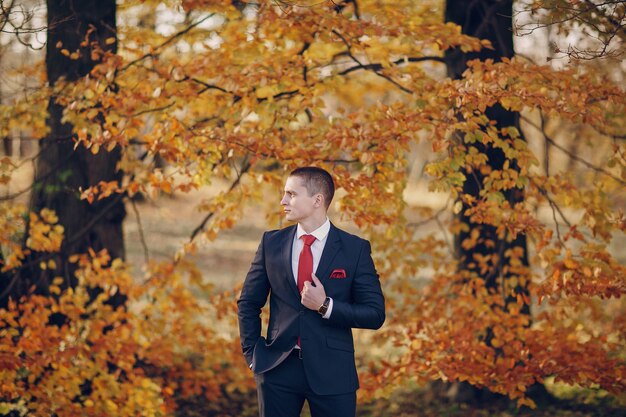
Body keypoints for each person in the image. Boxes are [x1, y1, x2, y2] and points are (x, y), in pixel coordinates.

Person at [237, 166, 385, 417]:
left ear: (317, 200)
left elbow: (374, 314)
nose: (283, 200)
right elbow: (248, 303)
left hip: (334, 372)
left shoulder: (354, 249)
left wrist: (325, 306)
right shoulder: (271, 243)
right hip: (276, 369)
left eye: (291, 194)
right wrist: (253, 355)